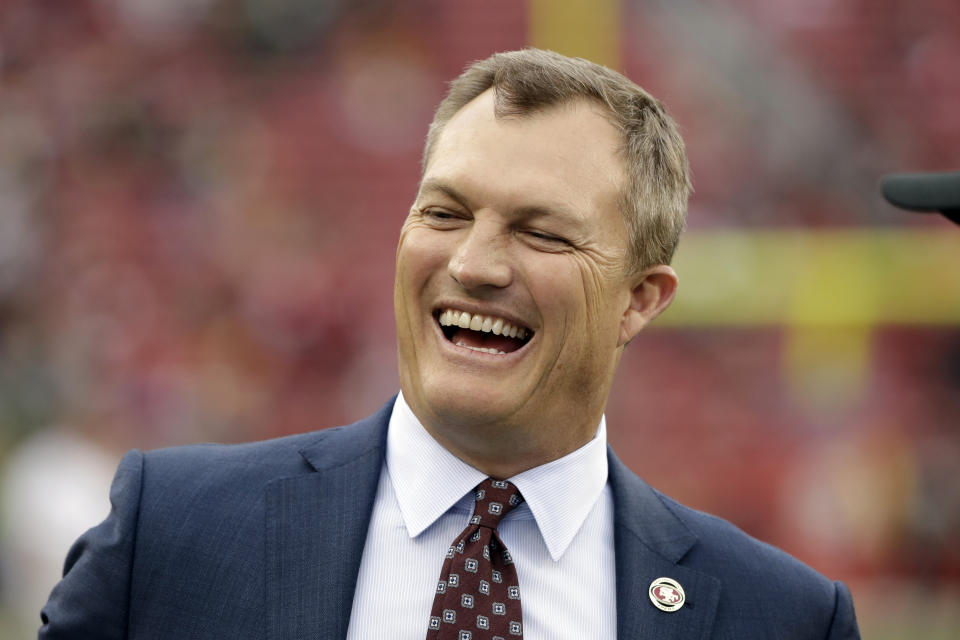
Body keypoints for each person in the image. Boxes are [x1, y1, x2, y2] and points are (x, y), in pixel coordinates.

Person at [39, 49, 860, 639]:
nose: (474, 264)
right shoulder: (173, 535)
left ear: (640, 300)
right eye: (445, 214)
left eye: (541, 234)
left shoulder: (778, 616)